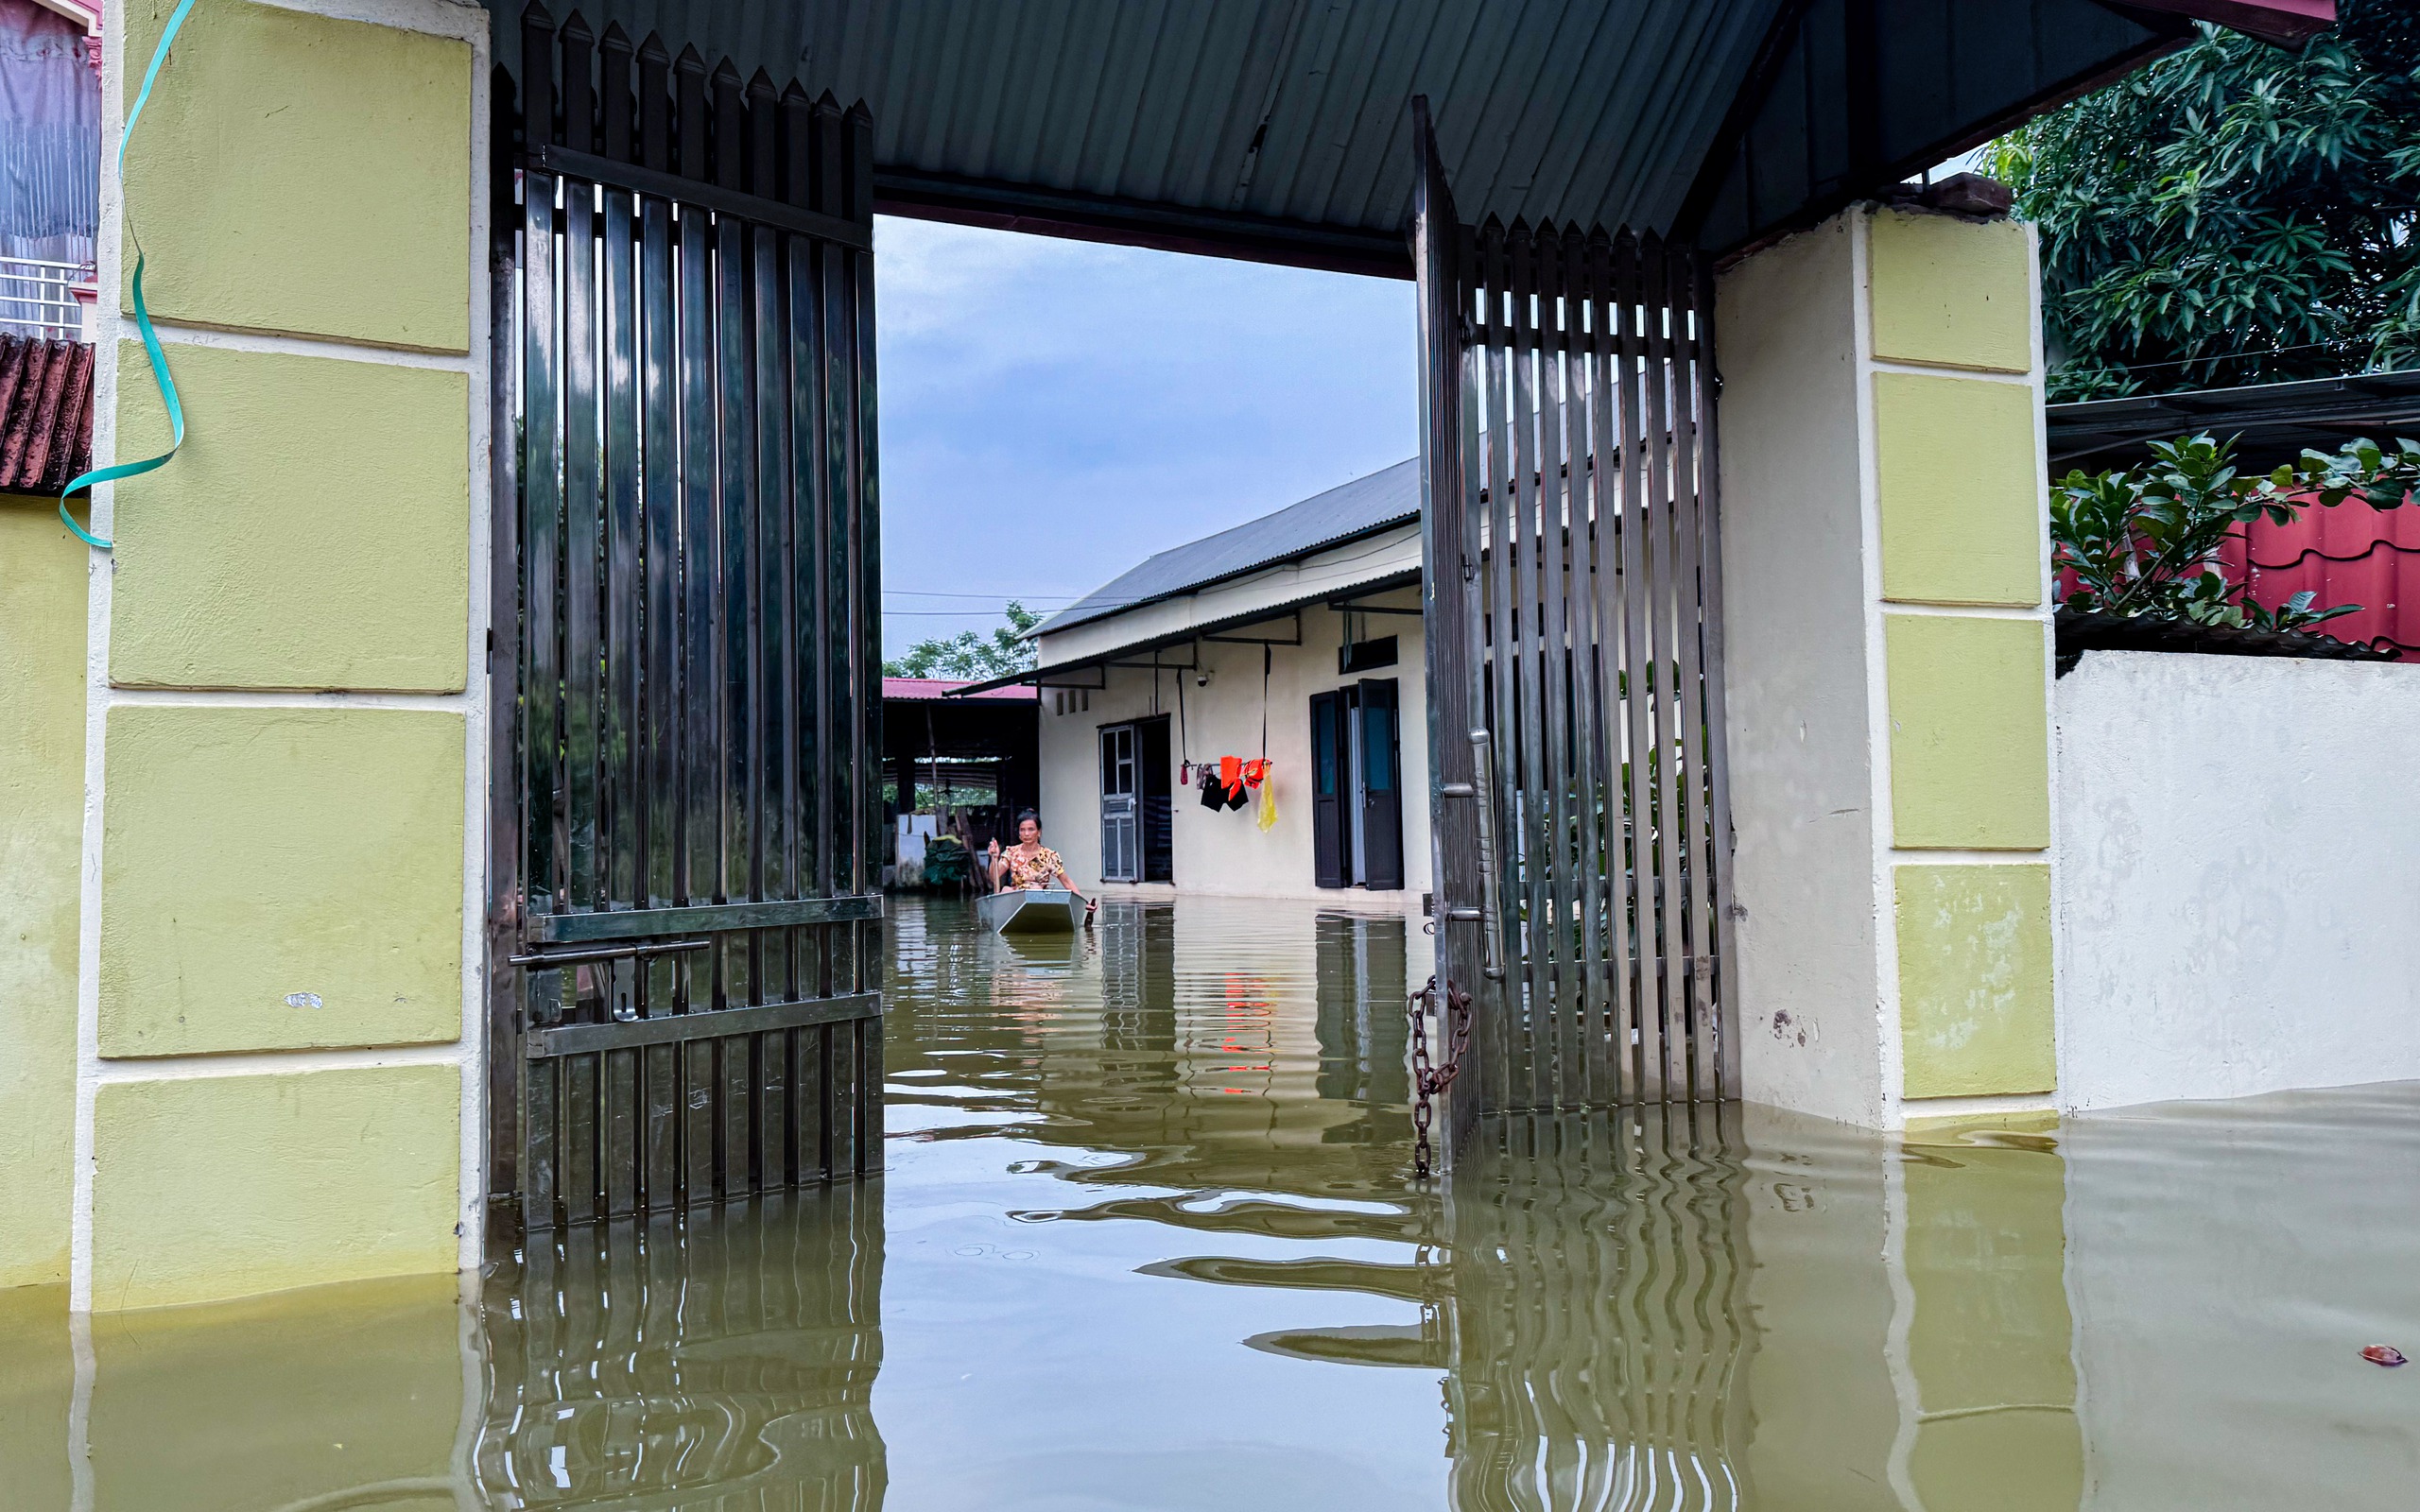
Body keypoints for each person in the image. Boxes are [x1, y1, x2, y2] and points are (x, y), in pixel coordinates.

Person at [986, 810, 1097, 923]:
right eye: (1022, 830)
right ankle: (1010, 921)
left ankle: (1036, 921)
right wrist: (994, 857)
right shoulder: (1011, 852)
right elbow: (994, 876)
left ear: (1039, 832)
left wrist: (1084, 903)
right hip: (1016, 898)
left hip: (1038, 900)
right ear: (1019, 833)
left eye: (1031, 829)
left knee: (1036, 889)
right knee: (1005, 889)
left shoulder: (1049, 856)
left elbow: (1066, 881)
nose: (1026, 834)